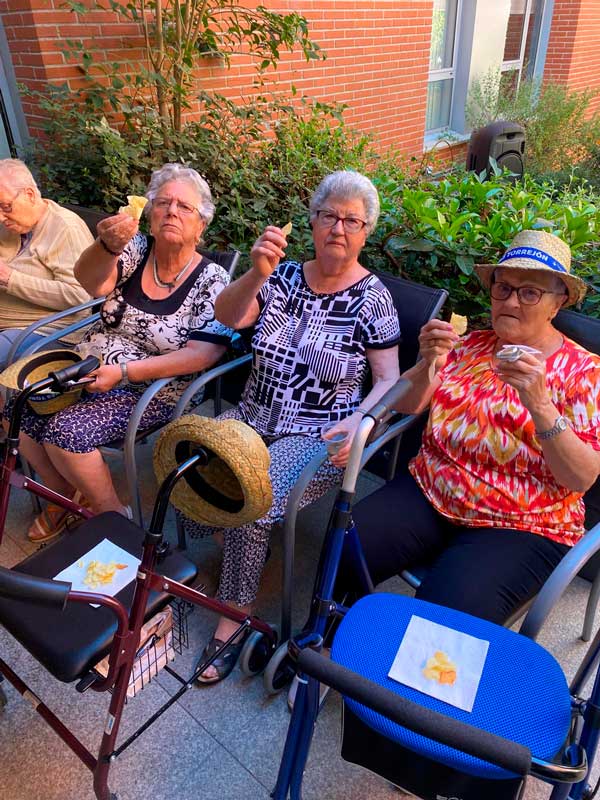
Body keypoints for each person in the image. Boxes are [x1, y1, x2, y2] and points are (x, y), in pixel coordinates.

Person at [183, 170, 402, 684]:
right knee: (189, 458)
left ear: (366, 230)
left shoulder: (373, 299)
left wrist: (360, 420)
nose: (339, 228)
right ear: (313, 220)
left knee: (250, 497)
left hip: (318, 435)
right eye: (329, 216)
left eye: (352, 220)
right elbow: (229, 316)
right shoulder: (280, 275)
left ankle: (232, 618)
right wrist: (257, 273)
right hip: (252, 415)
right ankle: (230, 544)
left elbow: (389, 380)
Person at [340, 229, 600, 625]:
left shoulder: (585, 372)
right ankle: (328, 641)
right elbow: (408, 405)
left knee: (438, 622)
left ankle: (387, 687)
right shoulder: (470, 346)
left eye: (529, 292)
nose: (511, 300)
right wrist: (427, 363)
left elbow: (580, 478)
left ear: (557, 302)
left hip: (520, 523)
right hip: (430, 490)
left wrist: (541, 405)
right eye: (504, 288)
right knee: (343, 545)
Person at [12, 163, 232, 543]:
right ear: (148, 214)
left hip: (152, 386)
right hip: (88, 363)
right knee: (20, 404)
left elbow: (203, 355)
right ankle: (64, 498)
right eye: (163, 203)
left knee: (63, 433)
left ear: (202, 225)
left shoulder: (212, 280)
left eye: (184, 207)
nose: (172, 211)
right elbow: (92, 283)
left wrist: (126, 372)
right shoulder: (135, 249)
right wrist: (107, 245)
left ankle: (114, 518)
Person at [0, 159, 93, 368]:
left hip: (44, 330)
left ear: (30, 195)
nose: (0, 217)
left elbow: (79, 295)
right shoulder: (12, 225)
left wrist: (9, 279)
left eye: (5, 207)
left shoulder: (66, 228)